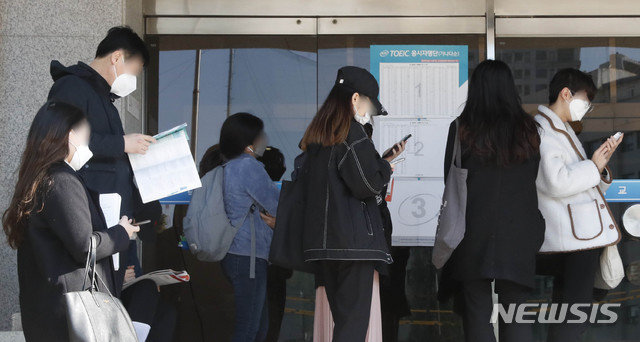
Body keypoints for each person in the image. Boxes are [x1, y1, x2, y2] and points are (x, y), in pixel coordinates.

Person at [2, 101, 139, 341]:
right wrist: (121, 233)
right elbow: (84, 247)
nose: (89, 143)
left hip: (48, 312)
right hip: (69, 317)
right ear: (70, 135)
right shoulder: (62, 180)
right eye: (87, 134)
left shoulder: (39, 178)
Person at [438, 60, 545, 342]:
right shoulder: (528, 130)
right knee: (516, 314)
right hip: (519, 231)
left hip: (472, 230)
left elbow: (447, 176)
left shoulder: (461, 129)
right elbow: (533, 176)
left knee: (476, 312)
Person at [299, 66, 404, 342]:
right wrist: (384, 165)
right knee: (352, 327)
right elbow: (366, 184)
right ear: (355, 99)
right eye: (369, 104)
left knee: (344, 323)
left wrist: (377, 163)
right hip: (353, 244)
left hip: (325, 246)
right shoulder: (351, 132)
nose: (370, 113)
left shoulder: (317, 136)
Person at [534, 68, 623, 341]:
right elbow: (557, 182)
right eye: (586, 100)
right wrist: (593, 166)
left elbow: (579, 181)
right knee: (573, 314)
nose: (587, 108)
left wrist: (599, 169)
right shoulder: (544, 132)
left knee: (573, 312)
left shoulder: (562, 130)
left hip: (577, 235)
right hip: (571, 237)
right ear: (565, 94)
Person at [47, 26, 154, 220]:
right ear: (116, 58)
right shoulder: (71, 86)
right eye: (134, 71)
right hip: (86, 211)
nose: (134, 80)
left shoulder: (104, 98)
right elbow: (61, 139)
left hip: (112, 214)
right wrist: (122, 144)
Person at [219, 113, 281, 342]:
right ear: (248, 141)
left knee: (257, 328)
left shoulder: (230, 166)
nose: (265, 139)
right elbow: (276, 205)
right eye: (260, 135)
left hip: (238, 254)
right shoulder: (249, 166)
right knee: (249, 329)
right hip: (249, 257)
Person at [363, 123, 412, 342]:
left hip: (380, 249)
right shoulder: (355, 167)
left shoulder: (371, 164)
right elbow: (371, 194)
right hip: (367, 251)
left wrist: (384, 161)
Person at [257, 147, 293, 342]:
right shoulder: (285, 195)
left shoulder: (253, 192)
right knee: (272, 322)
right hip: (277, 268)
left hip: (262, 265)